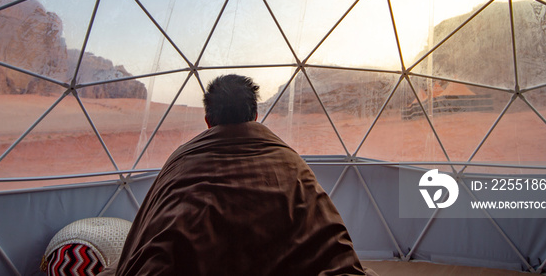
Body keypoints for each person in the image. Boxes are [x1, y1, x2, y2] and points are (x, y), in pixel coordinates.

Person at [111, 74, 371, 275]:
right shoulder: (290, 162)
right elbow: (330, 245)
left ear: (208, 121)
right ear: (255, 116)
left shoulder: (179, 161)